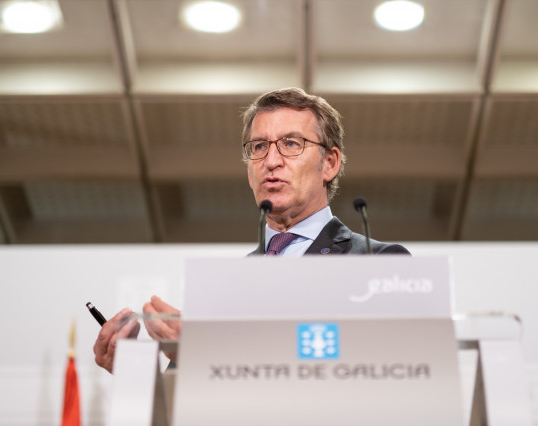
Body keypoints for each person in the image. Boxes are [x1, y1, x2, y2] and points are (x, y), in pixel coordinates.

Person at [93, 88, 409, 372]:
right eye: (258, 147)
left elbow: (391, 378)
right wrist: (133, 372)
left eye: (290, 143)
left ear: (330, 163)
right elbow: (188, 411)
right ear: (248, 171)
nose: (271, 160)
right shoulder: (223, 290)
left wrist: (205, 352)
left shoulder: (378, 262)